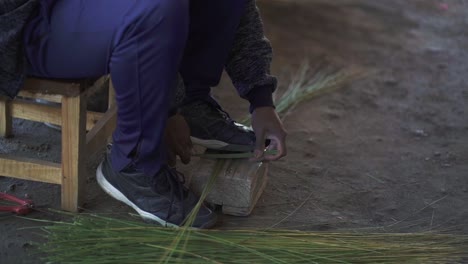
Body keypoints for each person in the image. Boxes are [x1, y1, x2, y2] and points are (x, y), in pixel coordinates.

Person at [0, 0, 287, 229]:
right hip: (21, 22)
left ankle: (193, 102)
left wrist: (260, 97)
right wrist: (166, 109)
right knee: (152, 10)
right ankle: (133, 161)